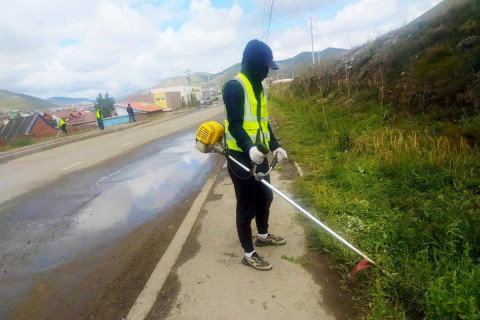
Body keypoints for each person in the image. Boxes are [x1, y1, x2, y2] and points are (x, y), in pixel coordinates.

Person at [223, 39, 288, 271]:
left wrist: (276, 145)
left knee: (266, 197)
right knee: (247, 205)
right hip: (240, 157)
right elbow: (235, 125)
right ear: (255, 63)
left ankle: (262, 234)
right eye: (265, 66)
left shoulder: (259, 89)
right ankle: (249, 253)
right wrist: (249, 147)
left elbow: (263, 124)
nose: (267, 71)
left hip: (259, 155)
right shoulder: (234, 87)